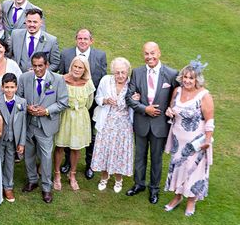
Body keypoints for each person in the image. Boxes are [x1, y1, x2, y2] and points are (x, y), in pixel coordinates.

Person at [125, 42, 178, 204]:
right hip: (141, 122)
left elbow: (177, 97)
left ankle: (154, 189)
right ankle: (139, 184)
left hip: (160, 125)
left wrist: (171, 109)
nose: (150, 57)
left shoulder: (171, 74)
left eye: (152, 53)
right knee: (140, 156)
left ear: (159, 53)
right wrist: (144, 108)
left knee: (156, 158)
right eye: (146, 54)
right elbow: (129, 97)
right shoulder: (137, 73)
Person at [164, 58, 214, 216]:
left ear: (197, 79)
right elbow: (171, 108)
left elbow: (210, 120)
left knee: (194, 171)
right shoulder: (177, 91)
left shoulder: (204, 96)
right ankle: (177, 197)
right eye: (185, 77)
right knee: (178, 168)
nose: (187, 80)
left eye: (191, 78)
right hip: (178, 140)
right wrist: (169, 112)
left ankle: (191, 201)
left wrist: (207, 140)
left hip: (195, 142)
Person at [18, 52, 68, 204]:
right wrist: (27, 108)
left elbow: (63, 102)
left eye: (41, 66)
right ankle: (32, 180)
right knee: (29, 154)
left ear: (47, 65)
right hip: (28, 124)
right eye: (35, 66)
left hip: (46, 125)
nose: (38, 69)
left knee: (46, 158)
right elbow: (18, 98)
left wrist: (46, 111)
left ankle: (46, 187)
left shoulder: (58, 79)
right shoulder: (24, 78)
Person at [59, 28, 108, 179]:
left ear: (91, 41)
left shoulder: (100, 55)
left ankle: (90, 164)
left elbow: (102, 78)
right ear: (76, 39)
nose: (82, 41)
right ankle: (67, 162)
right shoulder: (66, 54)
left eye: (85, 39)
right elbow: (61, 75)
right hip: (70, 102)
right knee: (68, 131)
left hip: (89, 102)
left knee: (90, 134)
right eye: (80, 38)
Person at [91, 57, 134, 194]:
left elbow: (137, 103)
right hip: (107, 122)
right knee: (105, 149)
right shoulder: (105, 80)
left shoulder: (132, 84)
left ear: (128, 72)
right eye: (117, 72)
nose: (120, 76)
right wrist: (105, 100)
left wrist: (135, 100)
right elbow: (97, 98)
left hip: (124, 124)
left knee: (119, 151)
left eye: (123, 72)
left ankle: (118, 179)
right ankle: (104, 177)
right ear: (113, 72)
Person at [53, 56, 95, 192]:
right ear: (71, 67)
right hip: (64, 116)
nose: (77, 70)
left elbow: (89, 103)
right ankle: (57, 175)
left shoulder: (88, 83)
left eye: (80, 67)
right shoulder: (62, 80)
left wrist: (79, 112)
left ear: (85, 70)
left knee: (76, 148)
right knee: (60, 146)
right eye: (75, 66)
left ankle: (72, 175)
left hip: (80, 118)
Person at [0, 73, 27, 203]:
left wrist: (21, 143)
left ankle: (8, 187)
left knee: (9, 163)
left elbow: (24, 123)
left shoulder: (22, 102)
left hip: (13, 140)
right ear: (2, 87)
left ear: (16, 87)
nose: (9, 90)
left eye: (12, 87)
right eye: (7, 87)